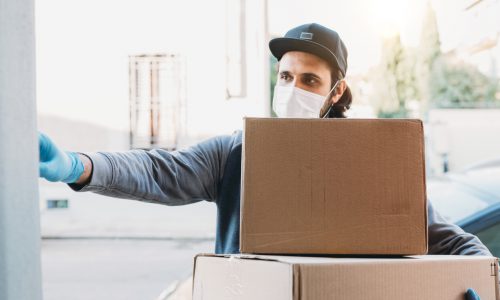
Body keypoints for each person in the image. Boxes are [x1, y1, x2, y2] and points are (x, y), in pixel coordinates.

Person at [38, 24, 491, 295]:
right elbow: (161, 170)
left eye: (310, 80)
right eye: (286, 76)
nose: (293, 89)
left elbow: (455, 243)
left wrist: (481, 287)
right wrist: (78, 166)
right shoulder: (237, 152)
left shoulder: (368, 162)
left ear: (335, 92)